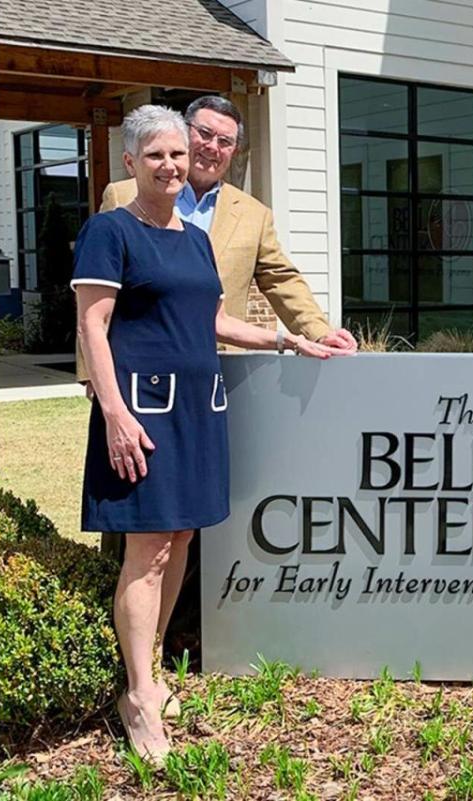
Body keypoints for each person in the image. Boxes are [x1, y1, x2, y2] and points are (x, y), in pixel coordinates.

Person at [72, 105, 338, 763]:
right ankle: (138, 694)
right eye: (156, 154)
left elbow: (216, 318)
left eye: (176, 156)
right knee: (148, 548)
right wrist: (113, 413)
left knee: (183, 535)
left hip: (197, 406)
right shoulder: (110, 231)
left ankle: (153, 671)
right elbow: (93, 327)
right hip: (141, 409)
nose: (170, 165)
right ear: (131, 162)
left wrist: (289, 338)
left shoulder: (192, 239)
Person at [76, 94, 356, 395]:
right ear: (185, 132)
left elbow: (282, 280)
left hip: (222, 369)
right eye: (205, 134)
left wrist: (320, 333)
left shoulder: (254, 215)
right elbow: (94, 298)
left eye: (225, 141)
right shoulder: (122, 197)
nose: (213, 147)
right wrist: (92, 373)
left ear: (234, 150)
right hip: (143, 375)